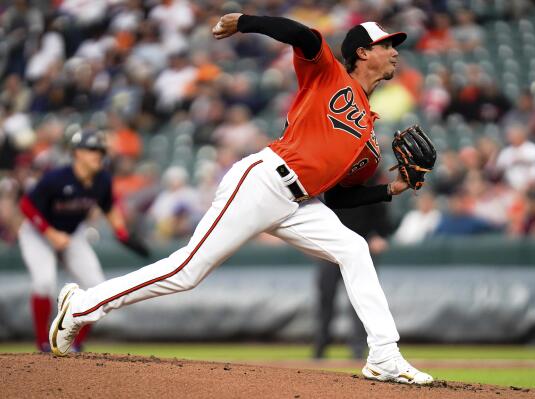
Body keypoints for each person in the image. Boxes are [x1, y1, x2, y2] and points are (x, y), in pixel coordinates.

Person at [49, 13, 434, 385]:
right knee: (186, 272)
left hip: (302, 203)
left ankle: (384, 355)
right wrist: (247, 22)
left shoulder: (369, 132)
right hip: (265, 181)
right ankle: (84, 305)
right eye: (386, 45)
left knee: (354, 248)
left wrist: (390, 189)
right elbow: (306, 36)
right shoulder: (328, 74)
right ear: (363, 52)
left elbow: (336, 196)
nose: (395, 51)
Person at [18, 129, 147, 352]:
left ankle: (74, 344)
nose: (98, 154)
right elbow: (26, 206)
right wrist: (50, 233)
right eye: (92, 150)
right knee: (44, 282)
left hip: (72, 233)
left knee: (98, 288)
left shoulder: (103, 179)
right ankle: (42, 344)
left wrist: (121, 233)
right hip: (37, 233)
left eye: (101, 150)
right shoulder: (57, 178)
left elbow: (108, 207)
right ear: (77, 153)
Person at [314, 175, 393, 360]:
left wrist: (378, 236)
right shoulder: (331, 186)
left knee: (361, 301)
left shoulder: (369, 187)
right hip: (331, 251)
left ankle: (358, 349)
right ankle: (320, 347)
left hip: (361, 250)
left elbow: (384, 224)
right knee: (325, 299)